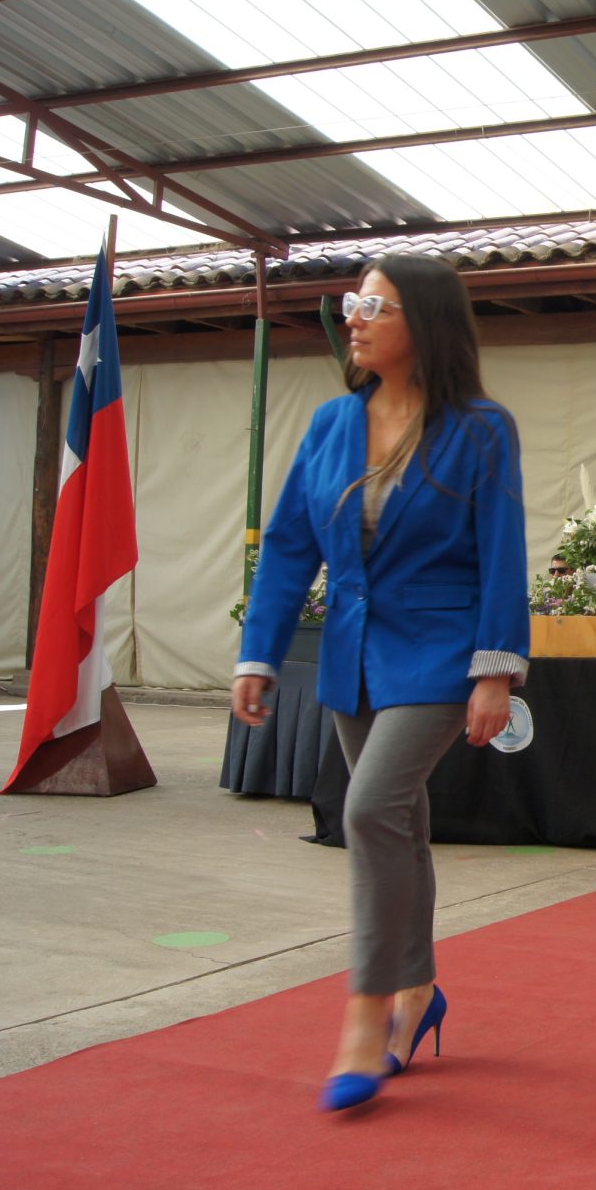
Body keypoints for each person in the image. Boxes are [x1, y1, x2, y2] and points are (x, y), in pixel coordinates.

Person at [231, 254, 530, 1112]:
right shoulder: (332, 423)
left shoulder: (481, 428)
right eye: (351, 304)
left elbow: (502, 549)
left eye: (374, 306)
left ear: (424, 324)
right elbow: (290, 544)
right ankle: (417, 992)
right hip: (353, 656)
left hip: (441, 653)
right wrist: (258, 653)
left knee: (367, 812)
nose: (353, 319)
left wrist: (497, 671)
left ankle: (365, 1014)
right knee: (401, 825)